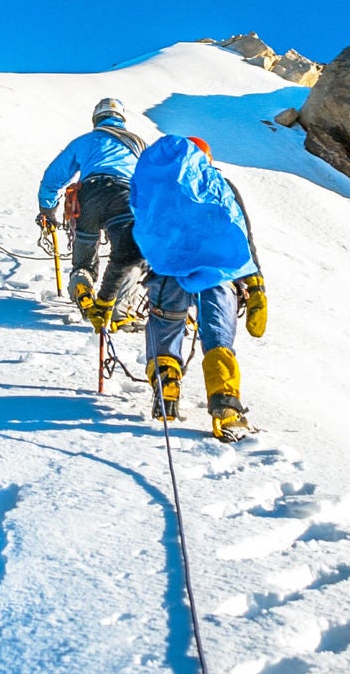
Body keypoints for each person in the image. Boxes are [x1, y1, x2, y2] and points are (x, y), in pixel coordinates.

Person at [127, 135, 268, 441]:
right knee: (217, 337)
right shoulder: (220, 184)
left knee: (166, 325)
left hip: (168, 272)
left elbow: (141, 228)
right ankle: (225, 406)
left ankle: (167, 390)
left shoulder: (156, 189)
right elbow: (242, 232)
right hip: (219, 274)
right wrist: (256, 285)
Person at [36, 98, 148, 330]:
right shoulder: (138, 144)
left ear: (96, 119)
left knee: (85, 257)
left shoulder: (84, 142)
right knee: (130, 254)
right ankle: (121, 311)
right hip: (123, 197)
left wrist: (48, 209)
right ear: (122, 120)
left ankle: (82, 286)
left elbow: (53, 176)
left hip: (87, 197)